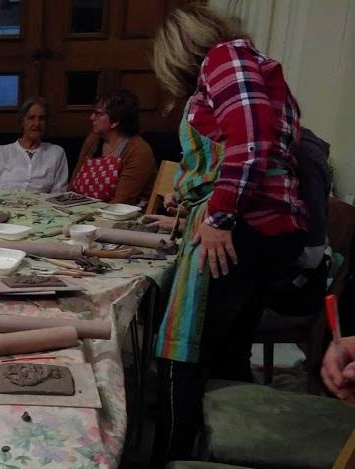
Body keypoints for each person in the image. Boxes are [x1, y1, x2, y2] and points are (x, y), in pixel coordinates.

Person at [149, 5, 306, 464]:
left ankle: (171, 460)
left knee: (182, 352)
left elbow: (251, 144)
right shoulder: (250, 64)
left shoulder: (226, 58)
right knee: (228, 351)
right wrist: (190, 201)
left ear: (177, 51)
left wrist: (216, 218)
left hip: (245, 226)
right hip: (267, 228)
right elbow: (237, 151)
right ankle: (224, 452)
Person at [68, 90, 156, 204]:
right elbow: (73, 184)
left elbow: (122, 201)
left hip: (120, 216)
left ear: (115, 121)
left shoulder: (138, 150)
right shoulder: (93, 140)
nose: (91, 117)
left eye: (99, 114)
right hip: (82, 210)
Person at [0, 97, 68, 193]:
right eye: (31, 118)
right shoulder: (3, 151)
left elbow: (59, 192)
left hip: (39, 207)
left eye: (41, 119)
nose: (36, 124)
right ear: (22, 122)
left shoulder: (56, 153)